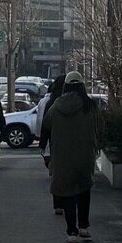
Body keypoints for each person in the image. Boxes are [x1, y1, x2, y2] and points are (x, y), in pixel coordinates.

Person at [43, 71, 102, 243]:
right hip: (85, 155)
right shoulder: (91, 106)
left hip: (62, 156)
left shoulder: (56, 105)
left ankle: (72, 231)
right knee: (84, 189)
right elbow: (100, 127)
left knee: (66, 192)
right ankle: (83, 226)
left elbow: (46, 124)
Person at [38, 74, 68, 213]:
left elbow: (45, 124)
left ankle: (58, 204)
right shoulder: (74, 101)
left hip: (54, 143)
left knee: (57, 175)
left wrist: (42, 144)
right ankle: (69, 202)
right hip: (71, 143)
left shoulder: (51, 102)